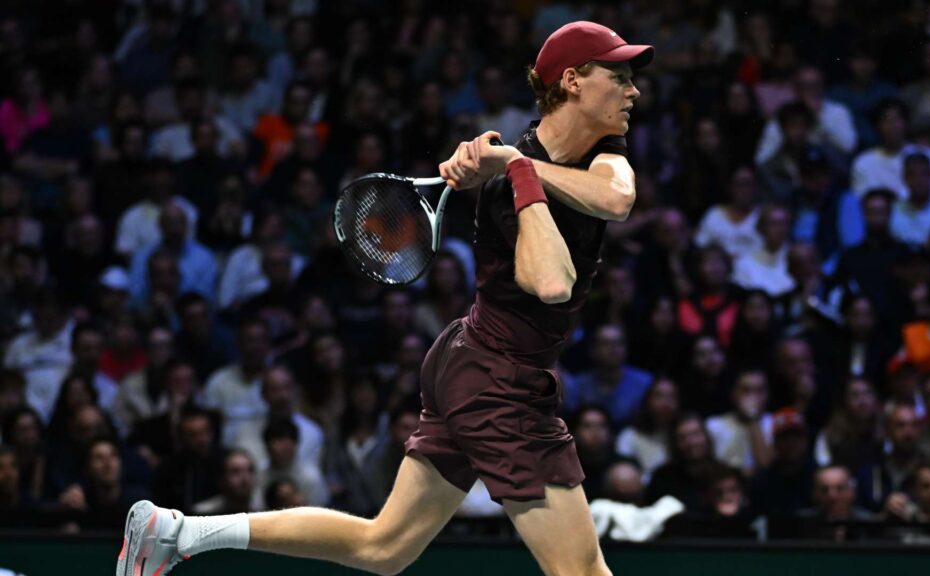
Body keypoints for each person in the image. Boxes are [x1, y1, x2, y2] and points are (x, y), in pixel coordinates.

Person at [119, 20, 653, 576]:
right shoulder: (505, 189)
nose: (633, 90)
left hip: (469, 361)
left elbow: (616, 198)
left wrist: (519, 165)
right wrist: (518, 172)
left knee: (385, 548)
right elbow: (552, 284)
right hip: (499, 381)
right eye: (618, 76)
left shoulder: (600, 151)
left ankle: (176, 533)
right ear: (572, 81)